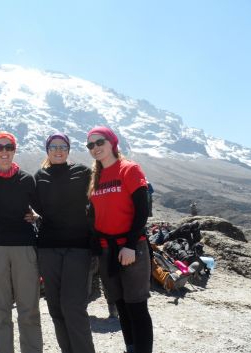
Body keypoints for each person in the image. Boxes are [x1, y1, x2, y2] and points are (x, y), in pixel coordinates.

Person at [86, 126, 153, 353]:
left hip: (131, 248)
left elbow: (142, 211)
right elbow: (95, 214)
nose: (95, 148)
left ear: (112, 143)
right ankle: (131, 348)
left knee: (137, 306)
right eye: (90, 145)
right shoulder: (95, 176)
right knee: (122, 306)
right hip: (107, 250)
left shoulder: (129, 169)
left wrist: (130, 246)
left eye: (100, 142)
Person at [0, 131, 43, 353]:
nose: (4, 152)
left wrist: (37, 216)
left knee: (29, 309)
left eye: (8, 147)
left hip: (24, 247)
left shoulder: (27, 180)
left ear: (14, 150)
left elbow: (42, 209)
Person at [33, 132, 95, 353]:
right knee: (55, 308)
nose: (58, 150)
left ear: (68, 150)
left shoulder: (83, 172)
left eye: (62, 146)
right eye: (53, 146)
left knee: (73, 306)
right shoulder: (39, 176)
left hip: (78, 248)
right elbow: (37, 207)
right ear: (47, 150)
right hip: (48, 248)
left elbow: (97, 203)